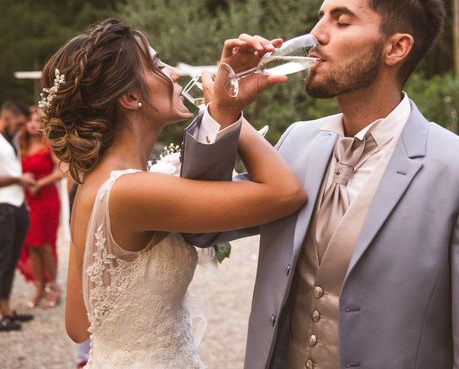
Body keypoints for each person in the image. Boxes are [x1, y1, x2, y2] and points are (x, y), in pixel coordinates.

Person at [184, 0, 459, 368]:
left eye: (341, 22)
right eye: (320, 18)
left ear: (396, 47)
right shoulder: (298, 142)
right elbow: (203, 226)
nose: (316, 35)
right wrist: (223, 112)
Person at [39, 19, 305, 367]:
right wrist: (229, 108)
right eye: (157, 64)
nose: (175, 73)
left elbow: (78, 324)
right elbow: (285, 193)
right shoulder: (131, 192)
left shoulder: (94, 186)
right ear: (131, 97)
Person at [17, 107, 64, 308]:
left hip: (46, 199)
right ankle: (39, 286)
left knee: (44, 245)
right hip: (28, 200)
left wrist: (40, 183)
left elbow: (63, 170)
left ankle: (53, 287)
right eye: (30, 121)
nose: (33, 124)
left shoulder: (48, 145)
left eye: (37, 120)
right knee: (32, 245)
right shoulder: (23, 147)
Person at [0, 101, 36, 331]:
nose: (21, 128)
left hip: (17, 204)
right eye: (19, 123)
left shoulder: (11, 141)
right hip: (3, 205)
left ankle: (7, 309)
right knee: (2, 261)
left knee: (11, 260)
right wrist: (19, 179)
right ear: (8, 118)